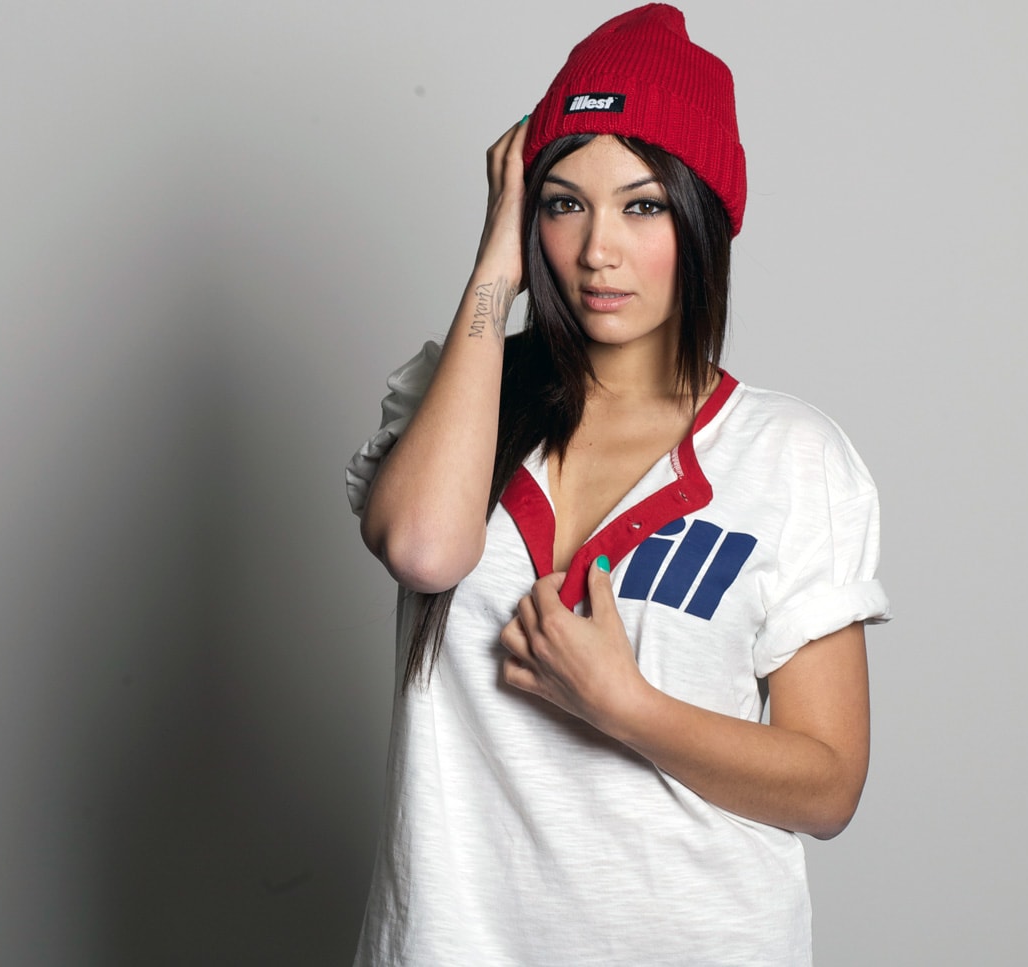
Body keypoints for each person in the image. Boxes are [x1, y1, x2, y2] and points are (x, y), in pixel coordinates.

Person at [344, 4, 891, 965]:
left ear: (703, 218)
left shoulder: (789, 456)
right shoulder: (458, 401)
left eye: (642, 206)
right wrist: (495, 263)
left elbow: (827, 784)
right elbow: (424, 549)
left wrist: (624, 705)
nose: (599, 249)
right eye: (564, 204)